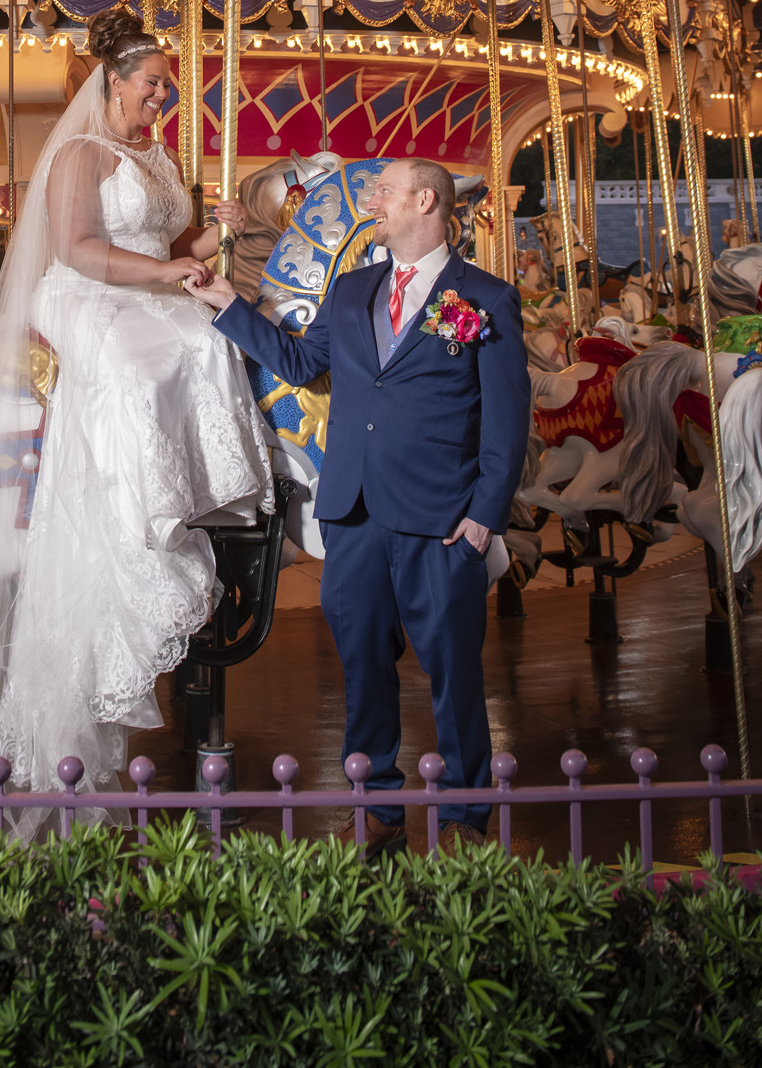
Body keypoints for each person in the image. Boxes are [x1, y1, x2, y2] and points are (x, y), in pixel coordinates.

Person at [0, 6, 273, 837]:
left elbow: (179, 239)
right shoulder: (76, 154)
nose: (161, 100)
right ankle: (145, 508)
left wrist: (217, 235)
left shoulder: (155, 153)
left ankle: (209, 494)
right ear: (112, 80)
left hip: (143, 284)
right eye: (151, 85)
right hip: (88, 297)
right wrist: (173, 268)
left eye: (166, 88)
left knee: (214, 340)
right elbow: (78, 250)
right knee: (145, 369)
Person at [190, 158, 529, 856]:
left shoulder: (484, 297)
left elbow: (504, 418)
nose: (370, 199)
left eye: (384, 191)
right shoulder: (352, 291)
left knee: (453, 674)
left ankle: (465, 816)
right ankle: (375, 804)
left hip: (440, 520)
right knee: (362, 669)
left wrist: (481, 519)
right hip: (353, 512)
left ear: (424, 200)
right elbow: (296, 363)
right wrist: (228, 307)